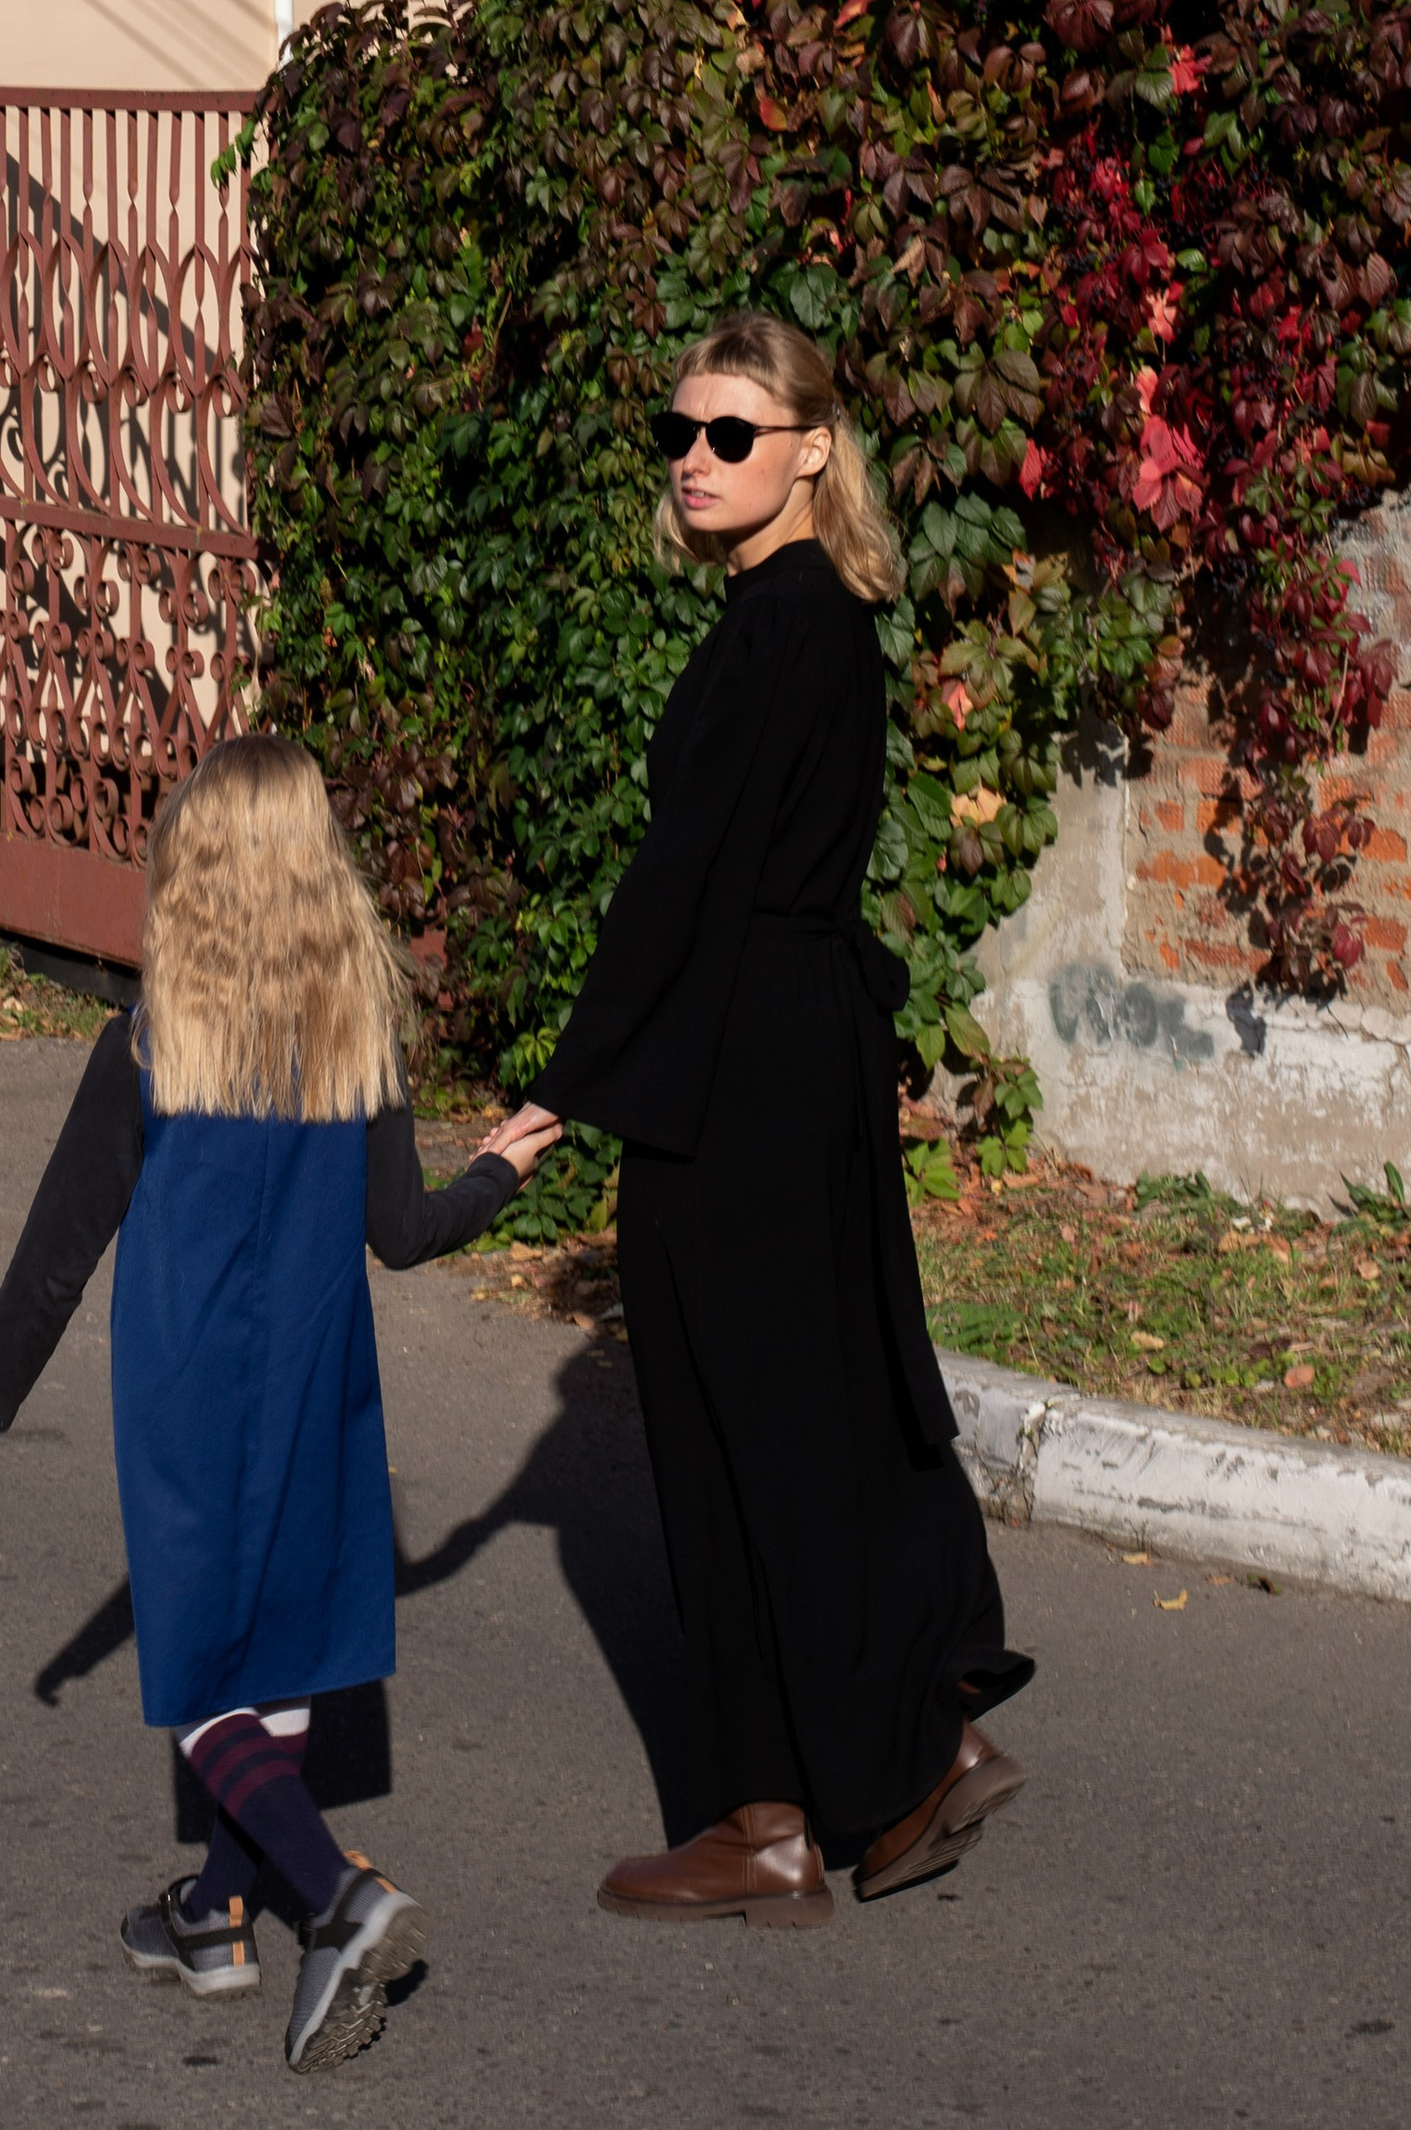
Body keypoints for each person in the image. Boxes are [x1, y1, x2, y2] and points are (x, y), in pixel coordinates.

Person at [506, 313, 1033, 1923]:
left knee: (736, 1438)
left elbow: (690, 887)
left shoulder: (777, 627)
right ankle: (888, 1750)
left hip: (734, 1073)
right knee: (816, 1409)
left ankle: (790, 1813)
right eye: (681, 432)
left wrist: (562, 1091)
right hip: (793, 1054)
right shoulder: (821, 618)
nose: (695, 459)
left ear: (811, 447)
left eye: (732, 434)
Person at [0, 730, 558, 2071]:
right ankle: (214, 1917)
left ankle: (338, 1896)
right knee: (276, 1650)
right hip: (321, 1387)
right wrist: (498, 1176)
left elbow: (64, 1238)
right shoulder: (356, 1039)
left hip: (188, 1397)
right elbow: (399, 1233)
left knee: (205, 1679)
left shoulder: (152, 1040)